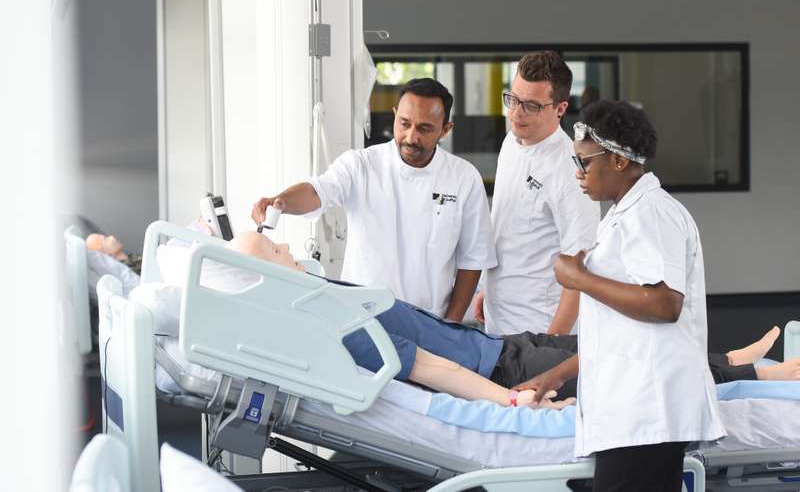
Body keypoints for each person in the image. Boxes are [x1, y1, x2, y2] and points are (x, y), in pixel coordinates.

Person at [228, 231, 800, 411]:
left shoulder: (324, 294)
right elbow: (428, 368)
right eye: (275, 250)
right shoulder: (332, 323)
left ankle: (731, 360)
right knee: (643, 369)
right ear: (277, 276)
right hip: (509, 371)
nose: (286, 246)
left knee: (630, 343)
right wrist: (511, 404)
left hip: (504, 345)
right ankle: (770, 379)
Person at [517, 100, 725, 492]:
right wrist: (556, 375)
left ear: (617, 161)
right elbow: (620, 330)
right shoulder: (623, 214)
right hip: (634, 415)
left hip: (648, 413)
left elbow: (665, 304)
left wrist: (577, 278)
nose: (577, 173)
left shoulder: (652, 214)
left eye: (584, 162)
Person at [252, 78, 496, 321]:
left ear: (445, 129)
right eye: (404, 123)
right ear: (394, 115)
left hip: (430, 321)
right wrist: (281, 201)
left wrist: (450, 325)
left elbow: (472, 259)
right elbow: (317, 192)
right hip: (364, 318)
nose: (411, 137)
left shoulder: (464, 178)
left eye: (424, 128)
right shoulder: (360, 165)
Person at [476, 52, 600, 335]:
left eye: (531, 105)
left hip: (539, 330)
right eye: (513, 99)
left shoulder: (570, 171)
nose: (517, 112)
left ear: (560, 109)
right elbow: (507, 229)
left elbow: (581, 272)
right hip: (498, 321)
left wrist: (549, 347)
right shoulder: (511, 142)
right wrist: (488, 288)